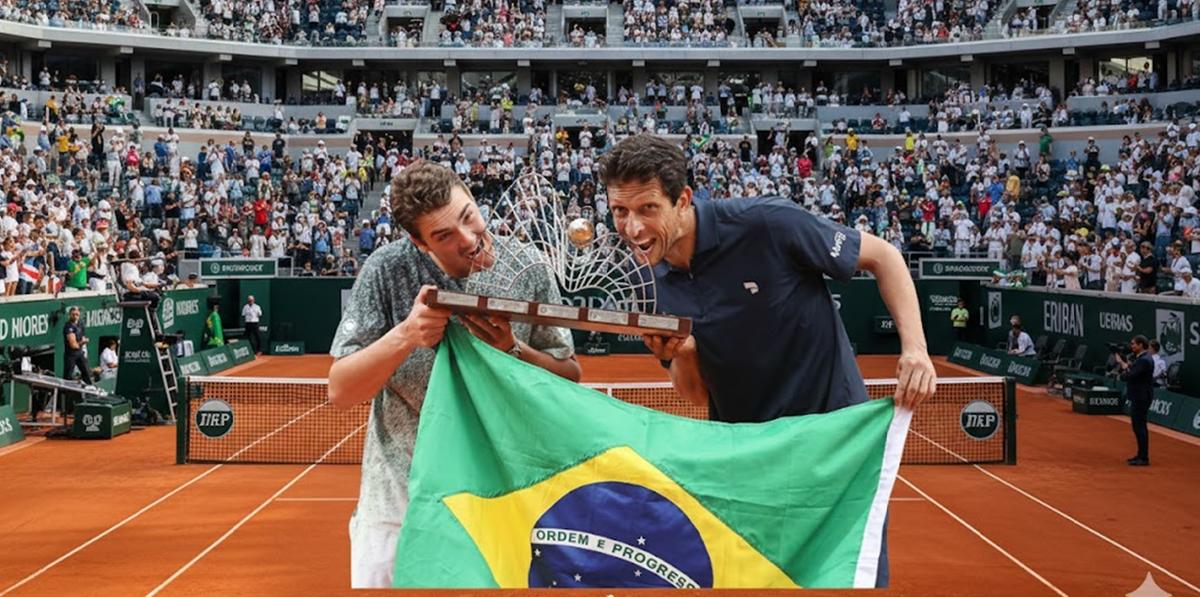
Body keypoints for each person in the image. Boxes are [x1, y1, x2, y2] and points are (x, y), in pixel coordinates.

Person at [599, 134, 936, 588]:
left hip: (832, 446)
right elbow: (695, 394)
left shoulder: (768, 223)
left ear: (682, 199)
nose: (632, 228)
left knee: (841, 581)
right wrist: (684, 354)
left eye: (647, 209)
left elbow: (885, 257)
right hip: (749, 462)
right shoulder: (651, 285)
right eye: (620, 211)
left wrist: (915, 348)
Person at [327, 160, 581, 589]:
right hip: (398, 506)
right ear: (418, 241)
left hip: (502, 496)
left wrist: (513, 350)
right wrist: (405, 335)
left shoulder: (530, 266)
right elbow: (341, 389)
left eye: (468, 217)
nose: (467, 239)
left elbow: (568, 375)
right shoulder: (387, 270)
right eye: (444, 235)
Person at [1115, 335, 1153, 466]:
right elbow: (1133, 372)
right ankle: (1141, 455)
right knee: (1138, 426)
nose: (1132, 346)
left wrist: (1123, 364)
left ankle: (1144, 457)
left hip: (1141, 397)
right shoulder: (1142, 359)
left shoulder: (1144, 360)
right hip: (1140, 396)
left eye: (1133, 344)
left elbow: (1130, 376)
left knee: (1140, 426)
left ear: (1141, 345)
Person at [63, 306, 92, 384]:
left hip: (80, 353)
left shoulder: (80, 324)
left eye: (77, 314)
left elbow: (83, 337)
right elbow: (73, 345)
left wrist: (83, 341)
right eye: (73, 314)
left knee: (87, 372)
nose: (75, 316)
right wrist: (82, 342)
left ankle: (90, 389)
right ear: (70, 315)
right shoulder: (68, 326)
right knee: (68, 377)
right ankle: (65, 394)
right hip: (70, 355)